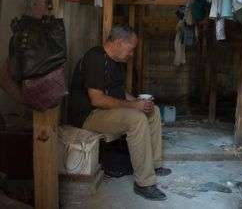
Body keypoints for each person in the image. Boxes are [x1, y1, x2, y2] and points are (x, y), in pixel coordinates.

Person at [69, 25, 171, 201]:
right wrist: (134, 108)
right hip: (88, 115)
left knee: (152, 111)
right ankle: (144, 183)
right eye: (130, 49)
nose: (131, 54)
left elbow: (119, 92)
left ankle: (154, 164)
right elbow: (97, 99)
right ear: (118, 42)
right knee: (136, 118)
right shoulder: (95, 57)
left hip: (104, 112)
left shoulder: (115, 62)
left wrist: (139, 103)